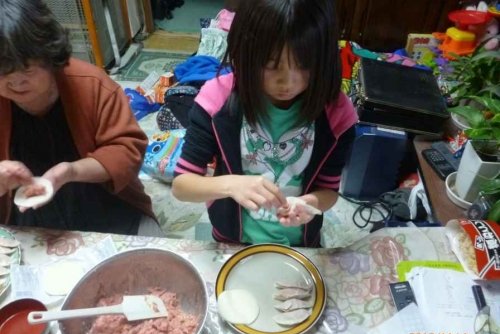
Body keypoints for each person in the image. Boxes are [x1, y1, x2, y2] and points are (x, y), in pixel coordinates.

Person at [172, 0, 358, 247]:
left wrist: (311, 204)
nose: (287, 82)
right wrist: (230, 184)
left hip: (301, 242)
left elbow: (328, 191)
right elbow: (182, 185)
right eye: (271, 65)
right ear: (245, 52)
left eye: (304, 65)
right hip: (232, 237)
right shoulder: (217, 101)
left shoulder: (337, 113)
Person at [0, 0, 163, 236]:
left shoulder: (92, 85)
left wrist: (71, 172)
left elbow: (127, 151)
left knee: (153, 263)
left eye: (27, 69)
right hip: (23, 219)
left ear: (49, 55)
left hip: (108, 207)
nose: (15, 82)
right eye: (3, 72)